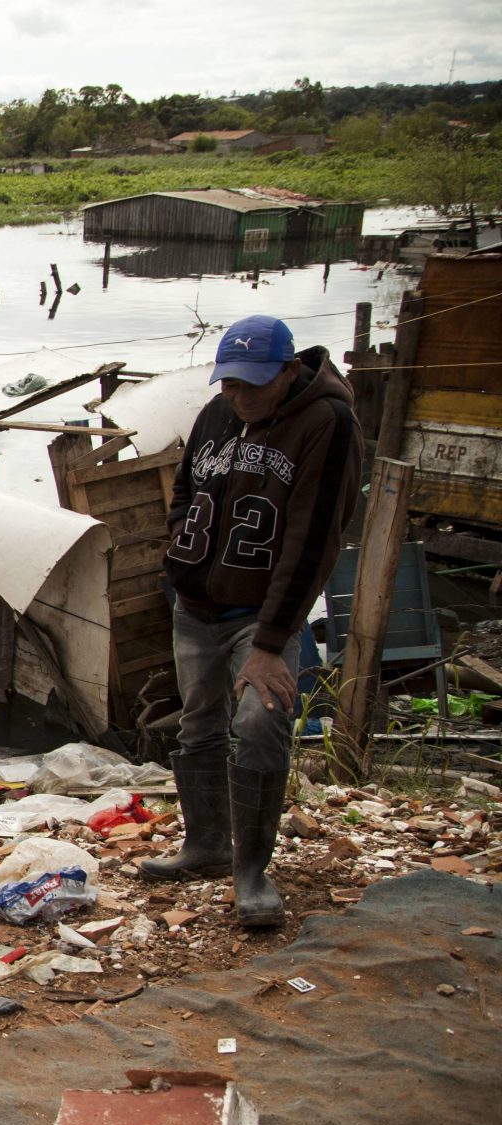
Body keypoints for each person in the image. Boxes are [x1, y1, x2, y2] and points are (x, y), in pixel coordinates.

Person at [139, 315, 362, 928]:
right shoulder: (218, 413)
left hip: (261, 617)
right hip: (196, 608)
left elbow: (314, 541)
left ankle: (251, 871)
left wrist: (270, 643)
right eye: (229, 384)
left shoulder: (327, 423)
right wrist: (182, 542)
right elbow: (184, 489)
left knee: (261, 724)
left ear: (290, 371)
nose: (238, 398)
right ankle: (207, 844)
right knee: (199, 724)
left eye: (253, 386)